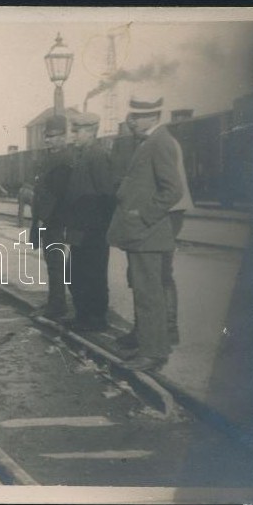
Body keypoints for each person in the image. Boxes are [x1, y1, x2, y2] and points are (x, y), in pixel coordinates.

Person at [107, 94, 183, 372]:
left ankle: (153, 353)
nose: (133, 121)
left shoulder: (159, 142)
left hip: (148, 234)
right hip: (142, 234)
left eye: (138, 116)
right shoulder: (150, 142)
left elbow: (173, 189)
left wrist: (144, 215)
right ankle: (148, 346)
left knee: (149, 294)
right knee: (144, 290)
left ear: (154, 116)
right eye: (133, 115)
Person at [64, 112, 117, 332]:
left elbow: (106, 193)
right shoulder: (83, 154)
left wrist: (100, 226)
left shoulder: (97, 155)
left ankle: (95, 318)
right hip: (79, 226)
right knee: (74, 273)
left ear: (92, 132)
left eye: (78, 131)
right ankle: (83, 315)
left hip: (93, 228)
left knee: (93, 273)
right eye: (74, 130)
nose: (74, 135)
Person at [29, 114, 73, 319]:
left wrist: (43, 218)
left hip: (56, 219)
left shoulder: (64, 159)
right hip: (49, 219)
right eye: (47, 136)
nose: (48, 140)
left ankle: (58, 306)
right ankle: (55, 303)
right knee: (52, 262)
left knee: (56, 263)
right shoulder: (50, 158)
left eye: (53, 136)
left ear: (64, 136)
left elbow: (57, 193)